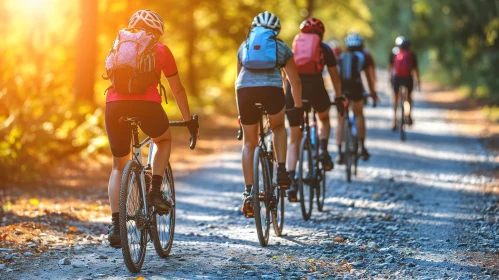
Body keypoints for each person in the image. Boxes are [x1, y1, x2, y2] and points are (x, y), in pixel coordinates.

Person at [104, 10, 197, 247]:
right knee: (163, 139)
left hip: (114, 106)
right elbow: (177, 89)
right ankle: (155, 189)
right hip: (148, 107)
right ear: (156, 32)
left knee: (118, 165)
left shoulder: (118, 44)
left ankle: (116, 225)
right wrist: (188, 121)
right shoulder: (161, 50)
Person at [236, 11, 302, 217]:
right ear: (276, 31)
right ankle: (281, 170)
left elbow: (237, 78)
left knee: (249, 143)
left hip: (244, 91)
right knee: (278, 127)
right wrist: (298, 108)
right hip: (272, 91)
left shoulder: (244, 46)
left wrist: (240, 114)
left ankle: (248, 192)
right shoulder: (281, 47)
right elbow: (295, 81)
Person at [285, 18, 343, 202]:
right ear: (321, 34)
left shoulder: (291, 47)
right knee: (324, 118)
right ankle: (323, 150)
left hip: (294, 92)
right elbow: (335, 77)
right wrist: (339, 97)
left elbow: (285, 76)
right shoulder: (325, 49)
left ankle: (291, 180)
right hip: (316, 89)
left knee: (294, 139)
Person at [336, 33, 378, 163]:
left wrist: (336, 94)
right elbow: (368, 78)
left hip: (342, 89)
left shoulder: (340, 57)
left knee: (340, 119)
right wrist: (372, 93)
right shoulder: (362, 57)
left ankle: (340, 152)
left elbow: (336, 76)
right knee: (359, 115)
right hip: (356, 88)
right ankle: (362, 147)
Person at [389, 36, 420, 130]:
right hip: (408, 78)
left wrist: (390, 79)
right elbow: (415, 69)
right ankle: (408, 115)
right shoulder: (412, 54)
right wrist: (418, 81)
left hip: (397, 78)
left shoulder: (394, 53)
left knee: (395, 98)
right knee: (409, 97)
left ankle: (394, 120)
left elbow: (390, 68)